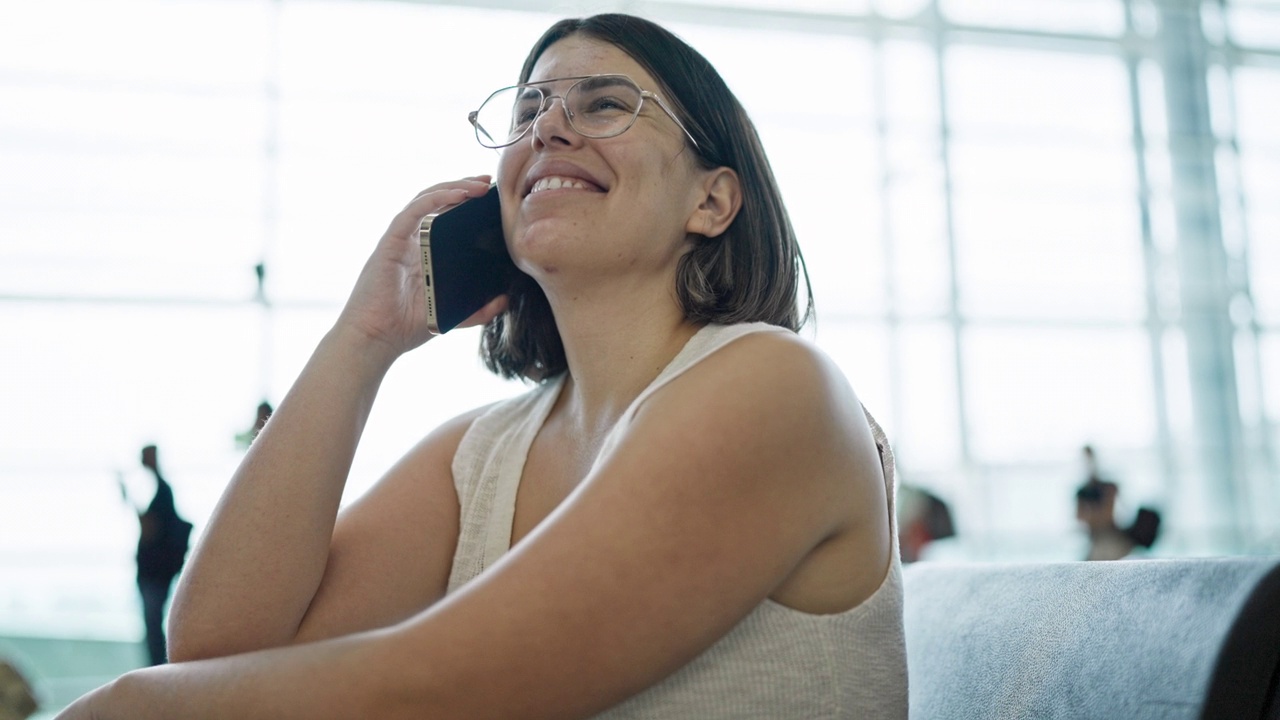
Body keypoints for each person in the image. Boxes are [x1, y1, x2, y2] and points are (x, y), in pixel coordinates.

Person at [57, 13, 905, 718]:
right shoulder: (484, 455)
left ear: (712, 200)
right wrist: (363, 340)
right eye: (528, 109)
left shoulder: (778, 388)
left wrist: (136, 705)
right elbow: (217, 652)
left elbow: (447, 688)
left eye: (605, 103)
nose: (548, 127)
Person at [122, 445, 194, 665]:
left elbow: (150, 529)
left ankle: (158, 670)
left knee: (153, 628)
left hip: (155, 574)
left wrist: (129, 499)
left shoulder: (163, 492)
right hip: (157, 574)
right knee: (154, 627)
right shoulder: (162, 491)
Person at [1075, 445, 1160, 561]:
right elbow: (1081, 518)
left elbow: (1107, 517)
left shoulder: (1107, 487)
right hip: (1098, 542)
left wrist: (1093, 515)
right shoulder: (1083, 492)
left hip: (1112, 540)